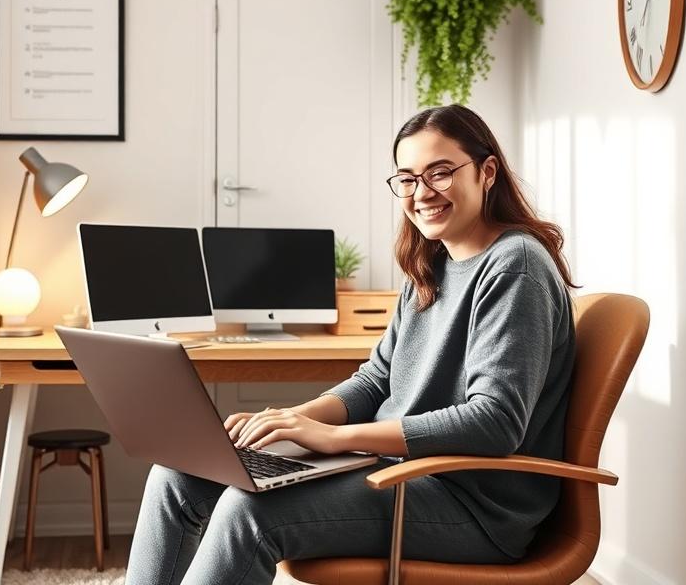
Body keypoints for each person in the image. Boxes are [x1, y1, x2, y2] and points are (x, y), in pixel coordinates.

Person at [125, 104, 579, 585]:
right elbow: (378, 379)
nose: (421, 193)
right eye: (407, 178)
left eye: (440, 173)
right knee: (177, 477)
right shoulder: (430, 265)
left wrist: (337, 439)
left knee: (248, 511)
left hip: (471, 505)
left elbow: (494, 421)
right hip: (398, 472)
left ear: (487, 172)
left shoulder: (516, 266)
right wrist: (292, 420)